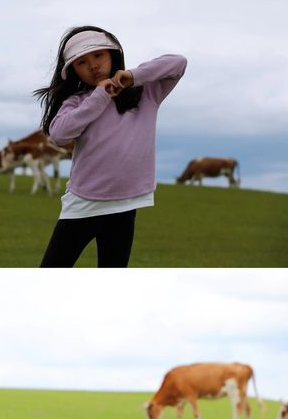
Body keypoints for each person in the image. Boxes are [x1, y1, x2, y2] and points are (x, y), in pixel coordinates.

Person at [35, 25, 187, 267]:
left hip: (126, 202)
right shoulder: (77, 102)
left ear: (112, 55)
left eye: (98, 55)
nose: (93, 65)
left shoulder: (145, 93)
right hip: (85, 202)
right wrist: (100, 95)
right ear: (73, 71)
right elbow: (60, 134)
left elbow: (178, 63)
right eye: (82, 62)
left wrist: (133, 76)